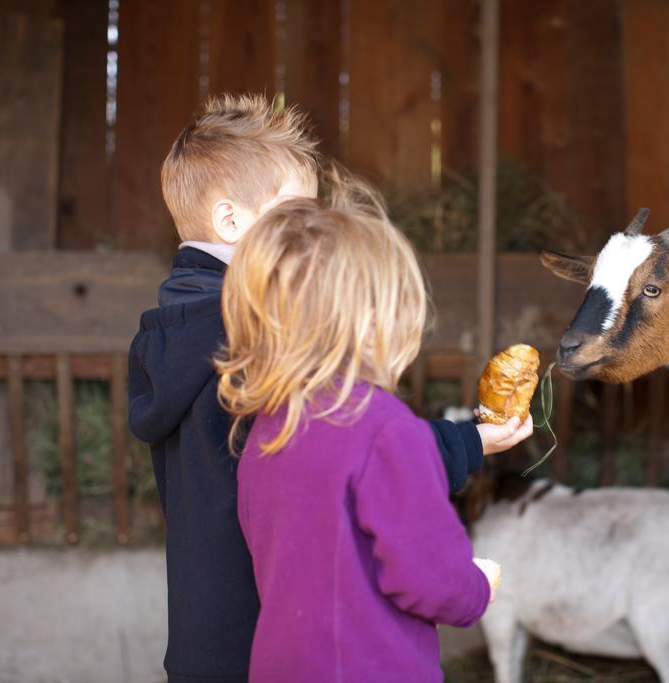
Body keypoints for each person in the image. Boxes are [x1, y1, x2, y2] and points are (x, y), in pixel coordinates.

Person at [127, 93, 530, 683]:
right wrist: (468, 442)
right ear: (232, 221)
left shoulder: (170, 335)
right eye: (298, 217)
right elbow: (357, 449)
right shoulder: (260, 332)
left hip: (206, 639)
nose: (317, 235)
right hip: (287, 634)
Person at [216, 194, 504, 682]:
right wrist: (478, 586)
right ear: (373, 328)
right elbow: (431, 578)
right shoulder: (388, 430)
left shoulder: (267, 427)